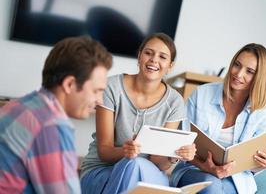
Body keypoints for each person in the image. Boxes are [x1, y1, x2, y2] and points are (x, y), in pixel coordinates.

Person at [80, 33, 196, 194]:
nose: (154, 60)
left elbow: (158, 162)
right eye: (148, 53)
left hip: (147, 173)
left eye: (162, 57)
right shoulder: (112, 87)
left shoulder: (175, 102)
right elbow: (104, 151)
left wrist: (174, 155)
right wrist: (126, 152)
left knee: (135, 166)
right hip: (102, 171)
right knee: (132, 166)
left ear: (170, 66)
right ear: (139, 56)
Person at [0, 36, 112, 193]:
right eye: (96, 91)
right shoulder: (51, 126)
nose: (100, 101)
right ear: (69, 84)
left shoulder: (18, 105)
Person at [170, 43, 266, 194]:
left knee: (220, 188)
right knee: (211, 185)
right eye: (237, 65)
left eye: (250, 71)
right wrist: (205, 166)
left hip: (236, 179)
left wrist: (265, 163)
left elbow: (253, 166)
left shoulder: (263, 115)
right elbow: (181, 143)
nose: (238, 74)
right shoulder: (201, 94)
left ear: (260, 78)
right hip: (193, 169)